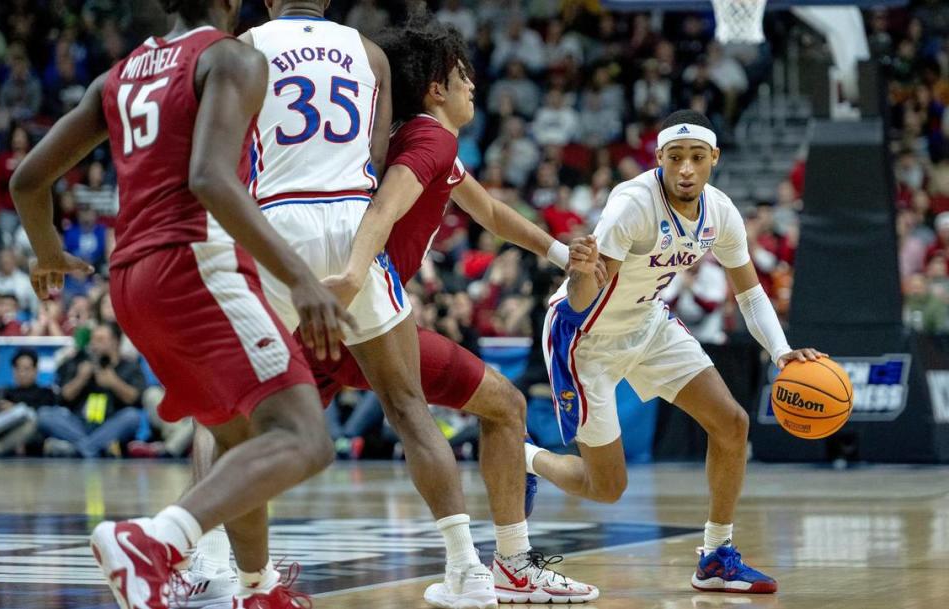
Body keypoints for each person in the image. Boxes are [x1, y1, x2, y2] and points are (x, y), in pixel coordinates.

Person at [9, 0, 349, 607]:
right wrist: (301, 278)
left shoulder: (118, 75)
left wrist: (48, 253)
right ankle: (155, 541)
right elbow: (210, 179)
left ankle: (256, 588)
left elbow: (28, 179)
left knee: (243, 440)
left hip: (131, 281)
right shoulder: (230, 57)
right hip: (195, 265)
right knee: (304, 436)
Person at [185, 3, 497, 608]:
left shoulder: (243, 43)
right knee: (408, 407)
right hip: (352, 220)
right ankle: (468, 568)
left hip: (275, 220)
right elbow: (376, 156)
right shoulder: (370, 53)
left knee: (223, 407)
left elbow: (216, 150)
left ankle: (217, 562)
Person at [319, 21, 599, 605]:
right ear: (435, 89)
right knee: (504, 406)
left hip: (332, 316)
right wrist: (355, 276)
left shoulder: (422, 140)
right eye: (462, 75)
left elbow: (491, 214)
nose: (473, 84)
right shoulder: (431, 141)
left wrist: (556, 251)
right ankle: (506, 565)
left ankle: (192, 553)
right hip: (365, 318)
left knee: (255, 435)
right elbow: (389, 204)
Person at [527, 110, 826, 594]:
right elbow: (583, 300)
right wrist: (580, 271)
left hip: (648, 322)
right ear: (659, 159)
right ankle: (524, 457)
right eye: (675, 158)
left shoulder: (722, 212)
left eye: (696, 158)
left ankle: (715, 556)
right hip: (585, 338)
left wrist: (781, 351)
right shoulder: (632, 205)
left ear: (714, 159)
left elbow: (749, 294)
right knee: (608, 488)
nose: (685, 168)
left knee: (732, 423)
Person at [39, 322, 146, 458]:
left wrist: (114, 382)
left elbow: (136, 398)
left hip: (110, 425)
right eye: (93, 339)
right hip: (78, 424)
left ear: (115, 342)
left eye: (100, 339)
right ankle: (94, 447)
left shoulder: (130, 366)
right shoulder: (80, 363)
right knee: (45, 415)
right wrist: (80, 379)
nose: (94, 344)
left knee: (132, 417)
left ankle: (77, 449)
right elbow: (63, 397)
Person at [0, 348, 55, 456]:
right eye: (18, 369)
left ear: (35, 370)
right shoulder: (5, 393)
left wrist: (15, 409)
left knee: (31, 424)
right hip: (2, 432)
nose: (22, 373)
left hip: (30, 435)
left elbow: (43, 419)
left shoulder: (46, 393)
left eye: (26, 369)